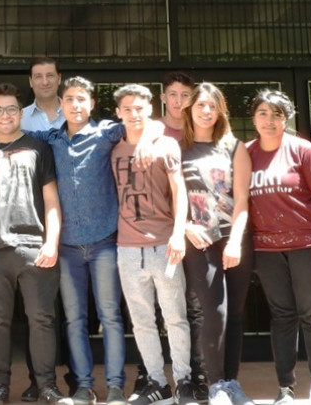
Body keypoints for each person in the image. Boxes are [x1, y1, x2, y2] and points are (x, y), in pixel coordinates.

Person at [0, 77, 159, 405]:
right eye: (69, 100)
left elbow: (141, 123)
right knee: (72, 319)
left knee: (108, 316)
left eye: (81, 100)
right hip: (63, 246)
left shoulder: (106, 133)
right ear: (61, 105)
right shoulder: (49, 139)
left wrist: (152, 136)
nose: (75, 105)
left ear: (92, 104)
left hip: (101, 241)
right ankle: (82, 386)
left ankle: (111, 386)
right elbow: (7, 133)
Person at [0, 84, 72, 405]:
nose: (5, 115)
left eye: (12, 109)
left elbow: (52, 201)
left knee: (42, 320)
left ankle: (46, 386)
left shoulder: (39, 148)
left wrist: (51, 242)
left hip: (35, 248)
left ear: (20, 113)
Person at [245, 90, 311, 405]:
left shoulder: (304, 151)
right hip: (266, 250)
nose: (269, 121)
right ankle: (285, 388)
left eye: (276, 114)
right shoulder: (245, 154)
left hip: (307, 245)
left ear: (286, 118)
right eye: (262, 114)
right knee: (282, 316)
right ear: (253, 117)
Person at [109, 85, 194, 405]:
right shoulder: (113, 148)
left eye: (140, 108)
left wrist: (177, 234)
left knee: (175, 317)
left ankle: (183, 381)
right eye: (127, 109)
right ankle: (157, 383)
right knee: (142, 321)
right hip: (127, 248)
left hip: (164, 245)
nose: (134, 114)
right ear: (118, 113)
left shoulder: (165, 144)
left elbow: (180, 191)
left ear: (150, 110)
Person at [179, 83, 255, 405]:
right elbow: (169, 199)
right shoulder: (177, 149)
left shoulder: (234, 147)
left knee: (235, 314)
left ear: (220, 110)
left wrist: (235, 241)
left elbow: (241, 199)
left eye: (213, 106)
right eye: (201, 105)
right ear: (190, 109)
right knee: (214, 312)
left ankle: (231, 384)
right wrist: (183, 227)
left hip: (233, 237)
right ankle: (215, 386)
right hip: (199, 240)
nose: (207, 111)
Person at [158, 72, 209, 402]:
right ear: (163, 97)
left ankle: (198, 375)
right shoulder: (149, 131)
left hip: (196, 233)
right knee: (157, 309)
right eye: (173, 94)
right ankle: (152, 375)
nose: (178, 101)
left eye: (185, 95)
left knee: (195, 305)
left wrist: (190, 223)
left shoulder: (199, 131)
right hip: (156, 231)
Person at [20, 57, 65, 133]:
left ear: (59, 79)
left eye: (50, 75)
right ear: (31, 82)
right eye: (38, 76)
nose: (45, 82)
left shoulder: (77, 114)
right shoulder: (20, 118)